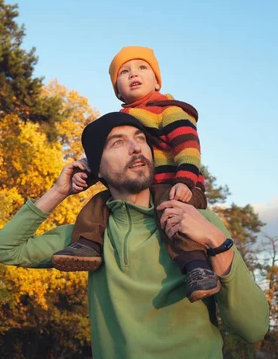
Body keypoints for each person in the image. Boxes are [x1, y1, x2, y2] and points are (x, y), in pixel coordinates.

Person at [0, 112, 268, 358]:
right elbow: (4, 249)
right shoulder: (88, 241)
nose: (136, 148)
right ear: (96, 168)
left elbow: (253, 328)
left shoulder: (199, 223)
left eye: (140, 138)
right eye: (118, 142)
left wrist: (216, 241)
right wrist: (59, 192)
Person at [52, 46, 215, 302]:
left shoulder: (169, 110)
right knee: (100, 202)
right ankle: (87, 245)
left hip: (178, 185)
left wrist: (185, 180)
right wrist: (89, 173)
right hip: (144, 190)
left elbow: (188, 148)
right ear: (117, 89)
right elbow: (115, 156)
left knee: (173, 214)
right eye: (124, 72)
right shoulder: (123, 119)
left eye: (142, 68)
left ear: (157, 80)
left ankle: (196, 267)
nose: (133, 74)